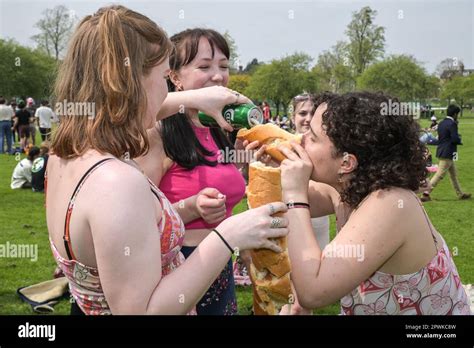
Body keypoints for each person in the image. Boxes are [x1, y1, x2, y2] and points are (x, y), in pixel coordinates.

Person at [47, 5, 288, 315]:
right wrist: (228, 236)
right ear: (130, 81)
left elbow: (128, 109)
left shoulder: (65, 155)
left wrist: (195, 98)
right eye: (163, 76)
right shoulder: (117, 183)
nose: (166, 90)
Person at [278, 92, 471, 315]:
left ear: (346, 163)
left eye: (311, 137)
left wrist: (293, 193)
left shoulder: (390, 204)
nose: (299, 140)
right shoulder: (344, 189)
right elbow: (278, 201)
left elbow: (312, 292)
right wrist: (267, 165)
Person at [135, 28, 263, 315]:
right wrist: (191, 208)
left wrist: (244, 164)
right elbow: (136, 224)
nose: (218, 76)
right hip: (177, 269)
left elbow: (225, 190)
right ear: (175, 77)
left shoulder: (219, 128)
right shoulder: (158, 133)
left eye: (224, 66)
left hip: (219, 266)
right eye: (204, 66)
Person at [421, 104, 471, 202]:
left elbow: (441, 137)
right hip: (448, 151)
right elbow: (454, 138)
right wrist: (459, 140)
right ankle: (425, 193)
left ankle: (460, 194)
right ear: (455, 114)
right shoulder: (452, 124)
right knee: (439, 174)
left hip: (443, 150)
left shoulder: (442, 123)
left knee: (453, 174)